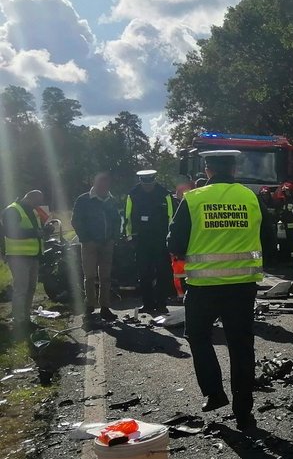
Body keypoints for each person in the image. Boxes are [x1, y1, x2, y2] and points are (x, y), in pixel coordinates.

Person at [167, 150, 269, 431]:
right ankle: (244, 412)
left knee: (198, 336)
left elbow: (174, 244)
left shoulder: (194, 199)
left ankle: (214, 392)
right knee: (241, 345)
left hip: (203, 287)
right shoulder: (250, 197)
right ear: (234, 169)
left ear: (207, 169)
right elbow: (269, 236)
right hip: (242, 286)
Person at [72, 172, 122, 322]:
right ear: (95, 183)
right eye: (102, 184)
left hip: (107, 243)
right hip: (89, 244)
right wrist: (86, 239)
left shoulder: (111, 200)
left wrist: (114, 238)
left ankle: (105, 307)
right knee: (89, 276)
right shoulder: (83, 200)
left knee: (105, 277)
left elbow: (116, 220)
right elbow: (76, 221)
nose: (104, 187)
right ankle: (89, 306)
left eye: (107, 184)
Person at [125, 170, 175, 314]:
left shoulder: (164, 194)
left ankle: (161, 303)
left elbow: (171, 217)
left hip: (160, 239)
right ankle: (147, 304)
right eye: (144, 183)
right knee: (144, 273)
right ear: (140, 181)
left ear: (154, 180)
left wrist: (170, 238)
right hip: (141, 239)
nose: (147, 186)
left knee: (162, 273)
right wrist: (130, 237)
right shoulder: (133, 194)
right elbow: (128, 217)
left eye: (150, 183)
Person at [1, 190, 45, 333]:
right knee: (21, 289)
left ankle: (26, 318)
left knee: (31, 288)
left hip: (33, 255)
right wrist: (34, 233)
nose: (38, 205)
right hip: (18, 256)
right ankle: (18, 320)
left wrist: (45, 231)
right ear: (29, 197)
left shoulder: (33, 211)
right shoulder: (13, 210)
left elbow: (35, 229)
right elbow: (10, 231)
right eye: (37, 202)